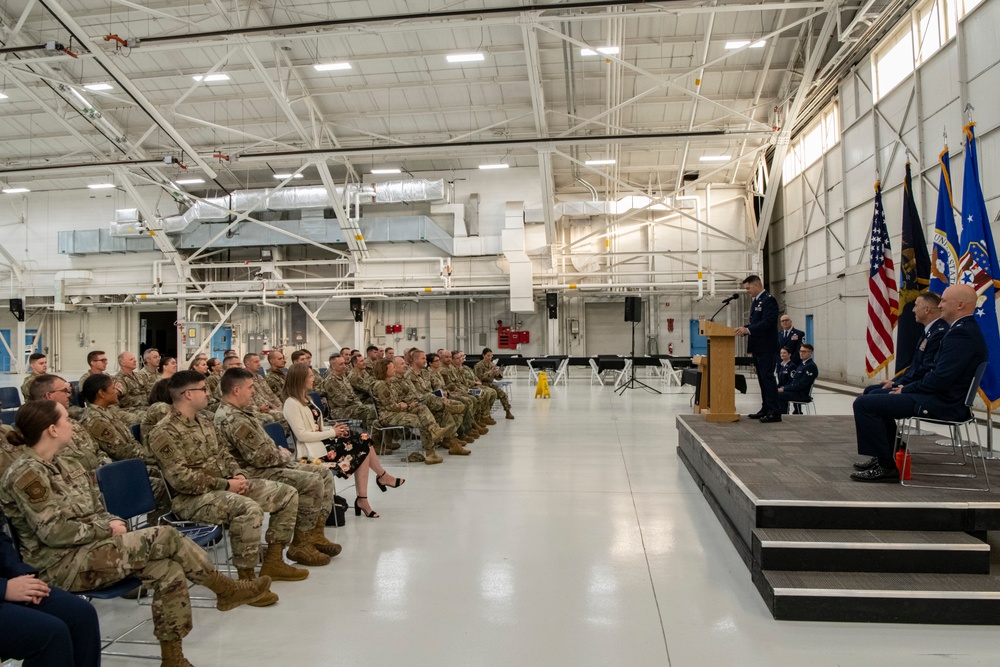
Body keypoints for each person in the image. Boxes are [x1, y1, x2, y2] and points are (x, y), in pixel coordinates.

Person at [0, 400, 272, 666]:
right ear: (52, 430)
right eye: (66, 420)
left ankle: (172, 656)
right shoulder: (26, 474)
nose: (72, 424)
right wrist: (105, 528)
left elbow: (98, 508)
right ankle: (224, 589)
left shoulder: (70, 464)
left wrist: (111, 523)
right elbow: (54, 532)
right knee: (164, 536)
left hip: (93, 549)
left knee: (167, 570)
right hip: (60, 563)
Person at [149, 371, 312, 585]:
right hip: (191, 499)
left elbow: (224, 455)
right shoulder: (164, 432)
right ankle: (246, 580)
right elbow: (181, 479)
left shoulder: (204, 422)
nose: (209, 393)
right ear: (188, 394)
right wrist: (226, 484)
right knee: (248, 509)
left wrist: (239, 474)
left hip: (226, 486)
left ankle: (274, 561)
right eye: (204, 389)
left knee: (287, 493)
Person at [851, 284, 988, 482]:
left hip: (944, 402)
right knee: (875, 398)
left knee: (865, 404)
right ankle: (886, 455)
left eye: (943, 301)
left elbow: (940, 378)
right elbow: (936, 373)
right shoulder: (962, 330)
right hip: (939, 396)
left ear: (959, 305)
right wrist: (905, 387)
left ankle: (887, 467)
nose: (940, 305)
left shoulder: (962, 334)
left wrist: (906, 388)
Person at [215, 369, 339, 565]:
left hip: (266, 463)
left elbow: (261, 450)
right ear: (236, 390)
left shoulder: (240, 412)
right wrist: (281, 454)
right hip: (252, 471)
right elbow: (260, 459)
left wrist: (277, 452)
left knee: (323, 473)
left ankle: (314, 534)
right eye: (250, 387)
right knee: (311, 480)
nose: (254, 391)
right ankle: (299, 544)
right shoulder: (233, 418)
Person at [283, 364, 403, 518]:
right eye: (311, 376)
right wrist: (332, 432)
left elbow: (316, 428)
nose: (314, 379)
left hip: (322, 445)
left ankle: (365, 496)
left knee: (362, 442)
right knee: (363, 443)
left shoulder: (307, 399)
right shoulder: (291, 403)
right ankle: (378, 482)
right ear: (300, 379)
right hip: (312, 454)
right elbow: (302, 435)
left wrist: (334, 429)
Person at [0, 511, 101, 667]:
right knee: (50, 634)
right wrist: (5, 588)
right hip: (4, 589)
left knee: (81, 615)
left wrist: (21, 575)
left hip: (8, 584)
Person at [371, 358, 454, 465]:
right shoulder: (380, 385)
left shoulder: (389, 383)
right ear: (384, 370)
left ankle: (435, 430)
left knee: (421, 408)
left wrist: (408, 405)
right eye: (391, 368)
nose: (394, 370)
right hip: (388, 416)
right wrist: (405, 406)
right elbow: (391, 406)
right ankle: (430, 453)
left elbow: (398, 401)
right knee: (421, 421)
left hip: (397, 412)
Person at [863, 291, 949, 395]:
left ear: (927, 309)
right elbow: (914, 366)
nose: (913, 310)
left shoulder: (939, 333)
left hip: (919, 388)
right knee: (869, 390)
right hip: (910, 382)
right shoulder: (930, 331)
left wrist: (899, 384)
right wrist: (894, 381)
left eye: (916, 306)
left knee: (871, 396)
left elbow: (925, 368)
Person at [25, 375, 109, 474]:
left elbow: (97, 450)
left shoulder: (71, 422)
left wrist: (104, 468)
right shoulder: (40, 433)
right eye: (64, 391)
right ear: (49, 396)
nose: (69, 395)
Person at [735, 275, 781, 422]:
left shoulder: (769, 300)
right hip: (758, 347)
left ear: (757, 285)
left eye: (748, 288)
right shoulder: (756, 302)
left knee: (767, 378)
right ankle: (766, 407)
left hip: (767, 346)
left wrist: (748, 330)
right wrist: (745, 328)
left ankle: (774, 411)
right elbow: (757, 323)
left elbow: (767, 322)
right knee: (762, 379)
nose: (747, 291)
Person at [323, 354, 376, 427]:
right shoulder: (330, 381)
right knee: (370, 411)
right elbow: (341, 401)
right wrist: (356, 403)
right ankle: (370, 435)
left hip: (352, 406)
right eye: (341, 364)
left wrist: (358, 404)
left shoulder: (343, 377)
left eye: (344, 363)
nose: (344, 366)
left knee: (374, 409)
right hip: (339, 411)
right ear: (333, 366)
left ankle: (368, 433)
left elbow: (353, 395)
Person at [777, 344, 818, 414]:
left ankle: (783, 415)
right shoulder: (802, 365)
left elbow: (801, 385)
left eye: (804, 351)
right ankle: (780, 413)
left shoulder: (810, 366)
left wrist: (784, 389)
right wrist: (783, 387)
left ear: (810, 353)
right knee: (776, 392)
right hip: (796, 392)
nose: (801, 353)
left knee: (780, 394)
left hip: (802, 394)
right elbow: (793, 382)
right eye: (800, 351)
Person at [474, 348, 514, 419]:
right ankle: (486, 414)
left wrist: (498, 374)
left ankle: (508, 411)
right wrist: (489, 373)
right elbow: (478, 378)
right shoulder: (478, 366)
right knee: (488, 395)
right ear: (483, 355)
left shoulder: (492, 365)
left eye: (491, 356)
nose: (490, 358)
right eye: (488, 356)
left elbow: (498, 378)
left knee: (503, 395)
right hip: (482, 385)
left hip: (490, 384)